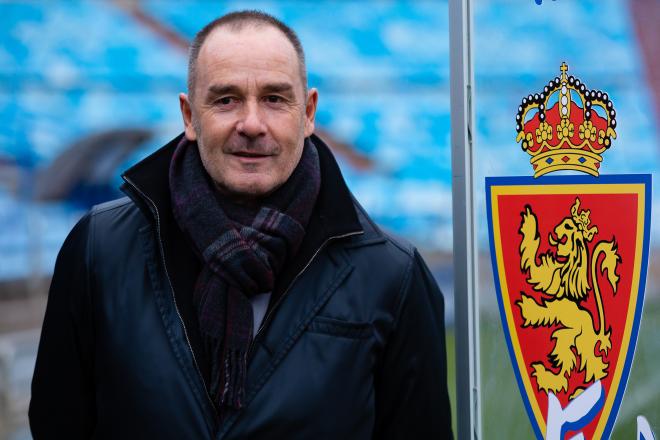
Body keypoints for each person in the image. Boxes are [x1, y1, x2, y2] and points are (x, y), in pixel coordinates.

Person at [29, 10, 453, 439]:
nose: (252, 124)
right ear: (190, 116)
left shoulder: (391, 275)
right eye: (226, 99)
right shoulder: (99, 248)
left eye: (274, 99)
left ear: (307, 113)